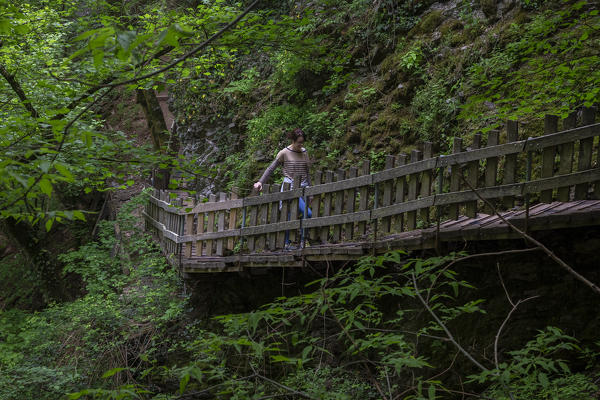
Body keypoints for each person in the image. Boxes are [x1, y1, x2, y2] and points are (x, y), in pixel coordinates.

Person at [253, 128, 312, 247]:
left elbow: (307, 171)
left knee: (293, 215)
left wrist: (310, 190)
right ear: (293, 141)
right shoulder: (284, 153)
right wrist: (260, 182)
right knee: (305, 213)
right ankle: (291, 242)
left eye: (302, 142)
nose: (301, 145)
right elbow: (270, 169)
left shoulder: (304, 152)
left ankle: (299, 241)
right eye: (299, 142)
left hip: (304, 186)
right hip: (290, 187)